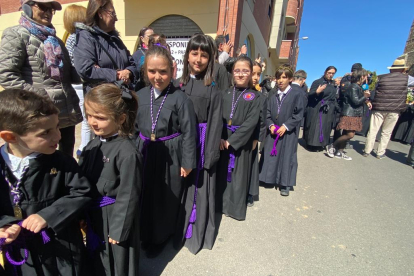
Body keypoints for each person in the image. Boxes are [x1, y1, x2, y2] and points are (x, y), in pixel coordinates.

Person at [0, 89, 91, 275]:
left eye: (57, 127)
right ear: (10, 137)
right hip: (22, 252)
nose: (57, 136)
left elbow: (82, 192)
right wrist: (4, 225)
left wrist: (48, 215)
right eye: (45, 133)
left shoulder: (61, 162)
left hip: (59, 247)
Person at [135, 45, 197, 258]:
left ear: (172, 70)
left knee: (164, 198)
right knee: (145, 193)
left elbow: (189, 132)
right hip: (144, 151)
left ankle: (160, 237)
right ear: (145, 71)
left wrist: (187, 161)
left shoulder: (181, 99)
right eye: (152, 71)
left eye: (163, 71)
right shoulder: (140, 95)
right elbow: (133, 128)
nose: (157, 76)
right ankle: (144, 233)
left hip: (170, 155)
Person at [0, 0, 82, 157]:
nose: (48, 12)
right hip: (38, 115)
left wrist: (91, 72)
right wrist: (38, 98)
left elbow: (68, 74)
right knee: (40, 160)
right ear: (27, 7)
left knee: (65, 160)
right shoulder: (16, 34)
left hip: (65, 112)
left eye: (52, 9)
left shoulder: (55, 40)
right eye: (44, 7)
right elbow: (7, 75)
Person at [79, 84, 142, 275]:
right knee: (97, 257)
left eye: (100, 117)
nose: (92, 122)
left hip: (115, 216)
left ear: (121, 119)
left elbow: (129, 194)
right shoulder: (91, 145)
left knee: (117, 260)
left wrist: (119, 229)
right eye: (89, 115)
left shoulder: (127, 153)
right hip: (94, 214)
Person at [173, 34, 223, 254]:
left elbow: (214, 125)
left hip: (201, 144)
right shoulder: (177, 85)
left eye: (204, 55)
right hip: (179, 145)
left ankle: (194, 236)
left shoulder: (213, 89)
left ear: (210, 59)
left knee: (198, 191)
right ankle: (173, 231)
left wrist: (208, 155)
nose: (199, 59)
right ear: (187, 56)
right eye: (195, 53)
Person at [216, 56, 260, 220]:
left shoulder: (255, 97)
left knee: (238, 178)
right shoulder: (224, 93)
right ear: (232, 73)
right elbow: (217, 116)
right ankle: (220, 205)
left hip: (242, 143)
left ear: (250, 74)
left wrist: (232, 141)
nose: (241, 74)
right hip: (222, 140)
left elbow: (251, 122)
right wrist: (220, 137)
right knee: (222, 176)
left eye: (245, 71)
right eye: (237, 70)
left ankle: (234, 209)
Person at [73, 0, 138, 93]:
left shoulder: (115, 39)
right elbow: (85, 70)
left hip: (121, 97)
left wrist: (128, 72)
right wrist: (117, 74)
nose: (116, 19)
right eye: (113, 14)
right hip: (101, 99)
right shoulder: (86, 37)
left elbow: (132, 63)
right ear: (100, 13)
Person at [259, 66, 305, 196]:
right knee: (270, 153)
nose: (280, 80)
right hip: (274, 130)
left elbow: (299, 114)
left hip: (288, 131)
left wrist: (286, 126)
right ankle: (267, 178)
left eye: (284, 77)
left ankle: (285, 183)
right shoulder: (273, 95)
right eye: (278, 77)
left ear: (290, 79)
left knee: (287, 155)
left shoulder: (296, 94)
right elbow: (267, 113)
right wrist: (271, 125)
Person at [363, 57, 414, 158]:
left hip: (379, 107)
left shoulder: (383, 78)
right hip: (394, 109)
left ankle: (367, 150)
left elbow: (376, 90)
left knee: (373, 130)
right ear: (403, 69)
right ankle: (380, 152)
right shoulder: (407, 79)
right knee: (386, 132)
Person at [64, 4, 92, 158]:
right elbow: (75, 63)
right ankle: (84, 150)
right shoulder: (75, 38)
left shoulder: (76, 37)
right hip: (79, 84)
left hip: (80, 84)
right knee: (87, 121)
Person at [326, 69, 371, 160]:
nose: (366, 78)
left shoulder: (358, 87)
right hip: (350, 113)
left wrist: (366, 100)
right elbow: (356, 101)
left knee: (346, 133)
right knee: (350, 134)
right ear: (361, 76)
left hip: (354, 113)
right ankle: (332, 146)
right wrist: (365, 96)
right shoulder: (353, 87)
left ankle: (340, 152)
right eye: (365, 76)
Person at [303, 66, 338, 151]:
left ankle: (321, 143)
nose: (330, 75)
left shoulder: (333, 84)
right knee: (315, 126)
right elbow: (309, 95)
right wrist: (317, 92)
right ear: (325, 72)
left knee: (325, 126)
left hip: (328, 108)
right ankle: (311, 144)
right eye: (329, 73)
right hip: (318, 107)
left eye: (332, 73)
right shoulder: (317, 82)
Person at [248, 61, 267, 205]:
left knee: (250, 165)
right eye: (253, 73)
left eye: (258, 74)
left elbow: (262, 120)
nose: (255, 77)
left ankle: (249, 193)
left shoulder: (260, 96)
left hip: (251, 138)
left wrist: (256, 138)